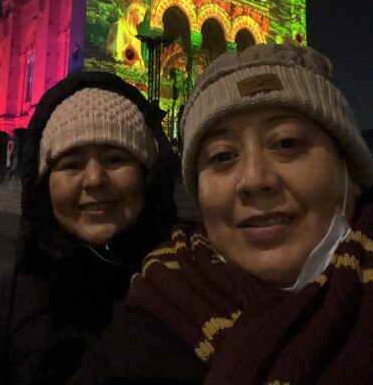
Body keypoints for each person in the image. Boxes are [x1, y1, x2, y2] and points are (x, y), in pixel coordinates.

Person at [72, 44, 373, 385]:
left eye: (286, 143)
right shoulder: (142, 333)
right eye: (222, 156)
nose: (254, 180)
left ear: (350, 172)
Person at [0, 70, 176, 384]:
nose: (94, 179)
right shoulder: (15, 298)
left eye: (115, 159)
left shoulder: (187, 287)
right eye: (72, 164)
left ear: (148, 176)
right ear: (44, 186)